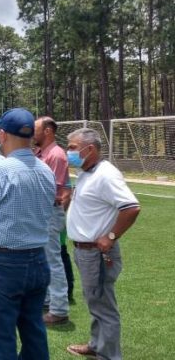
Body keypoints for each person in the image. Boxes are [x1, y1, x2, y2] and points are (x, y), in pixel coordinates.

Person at [0, 108, 56, 360]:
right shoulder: (45, 170)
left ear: (2, 134)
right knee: (34, 334)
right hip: (38, 260)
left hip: (4, 264)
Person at [65, 128, 140, 359]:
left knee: (103, 305)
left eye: (72, 148)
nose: (68, 152)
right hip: (84, 250)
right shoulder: (87, 171)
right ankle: (97, 345)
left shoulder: (106, 174)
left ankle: (108, 355)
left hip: (96, 253)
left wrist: (110, 237)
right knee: (95, 301)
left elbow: (131, 207)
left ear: (90, 149)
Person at [33, 116, 72, 325]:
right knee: (45, 259)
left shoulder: (55, 155)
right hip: (42, 213)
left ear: (48, 131)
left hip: (48, 212)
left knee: (53, 261)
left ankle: (59, 309)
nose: (32, 133)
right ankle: (48, 300)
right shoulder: (42, 153)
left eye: (35, 129)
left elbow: (48, 189)